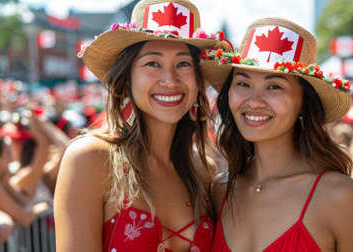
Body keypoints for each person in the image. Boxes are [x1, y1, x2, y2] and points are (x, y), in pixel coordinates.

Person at [53, 0, 230, 251]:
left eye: (183, 64)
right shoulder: (91, 159)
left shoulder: (203, 169)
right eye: (152, 63)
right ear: (126, 78)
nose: (170, 80)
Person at [200, 17, 353, 251]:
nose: (254, 101)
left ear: (304, 101)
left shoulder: (341, 197)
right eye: (243, 83)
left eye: (274, 86)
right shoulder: (219, 190)